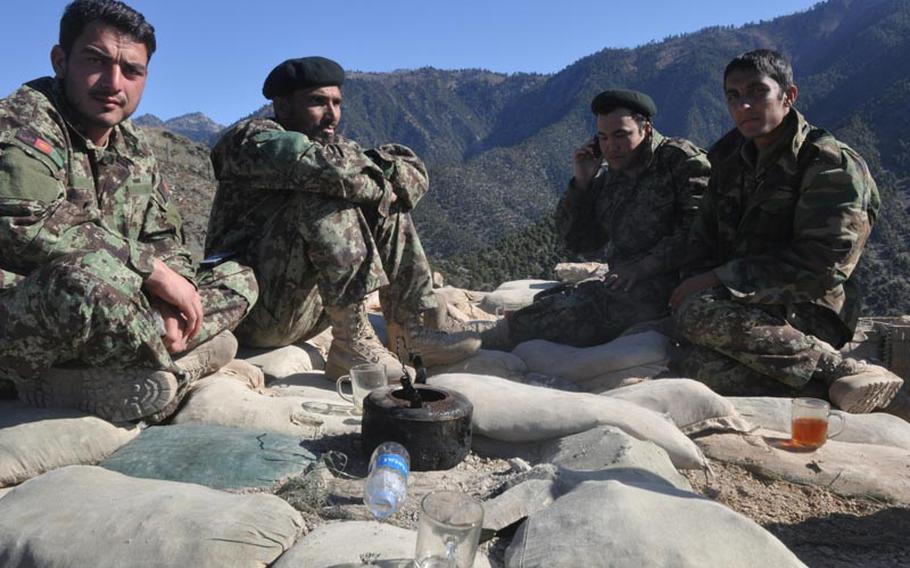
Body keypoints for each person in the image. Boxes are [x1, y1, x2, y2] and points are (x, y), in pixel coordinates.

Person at [0, 0, 258, 422]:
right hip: (29, 306)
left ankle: (146, 357)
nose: (113, 82)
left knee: (238, 275)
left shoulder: (133, 148)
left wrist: (177, 298)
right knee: (80, 282)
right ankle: (176, 363)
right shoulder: (22, 122)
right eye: (96, 61)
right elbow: (28, 224)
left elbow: (164, 239)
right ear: (61, 61)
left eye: (131, 71)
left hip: (119, 307)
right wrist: (151, 273)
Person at [205, 56, 479, 381]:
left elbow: (414, 175)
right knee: (326, 191)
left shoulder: (335, 146)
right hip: (256, 310)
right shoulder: (251, 140)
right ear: (282, 104)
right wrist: (381, 181)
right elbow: (325, 170)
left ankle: (410, 329)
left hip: (311, 308)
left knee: (377, 197)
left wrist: (380, 184)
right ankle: (351, 344)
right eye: (318, 102)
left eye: (337, 103)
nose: (331, 114)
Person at [670, 48, 903, 414]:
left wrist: (718, 280)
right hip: (742, 301)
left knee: (694, 315)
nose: (743, 106)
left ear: (788, 95)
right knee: (693, 366)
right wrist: (693, 280)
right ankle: (827, 389)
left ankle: (837, 366)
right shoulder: (731, 158)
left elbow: (825, 265)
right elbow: (703, 238)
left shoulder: (828, 164)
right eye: (734, 96)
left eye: (756, 92)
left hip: (808, 306)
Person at [481, 89, 710, 348]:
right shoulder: (610, 175)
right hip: (625, 281)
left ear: (645, 128)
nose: (611, 146)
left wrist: (643, 267)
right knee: (553, 300)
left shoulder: (679, 160)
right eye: (603, 137)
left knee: (583, 313)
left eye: (621, 135)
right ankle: (507, 331)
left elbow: (698, 230)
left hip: (675, 281)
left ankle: (494, 338)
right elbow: (578, 241)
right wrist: (582, 183)